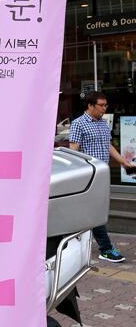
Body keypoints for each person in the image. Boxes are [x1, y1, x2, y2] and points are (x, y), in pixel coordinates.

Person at [69, 91, 132, 262]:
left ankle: (72, 244)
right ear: (90, 106)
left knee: (91, 211)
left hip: (102, 175)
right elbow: (73, 151)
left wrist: (123, 162)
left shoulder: (103, 123)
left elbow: (108, 145)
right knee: (95, 212)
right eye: (101, 105)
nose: (105, 108)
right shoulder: (78, 124)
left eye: (106, 105)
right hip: (88, 176)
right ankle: (105, 248)